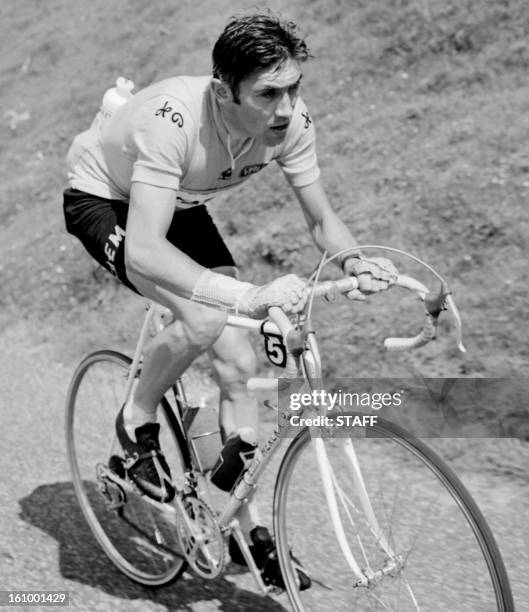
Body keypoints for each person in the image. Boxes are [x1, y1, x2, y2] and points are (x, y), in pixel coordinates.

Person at [63, 12, 397, 589]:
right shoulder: (174, 120)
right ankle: (136, 416)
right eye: (269, 94)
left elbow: (321, 219)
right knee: (205, 314)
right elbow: (143, 250)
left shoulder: (291, 123)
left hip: (179, 203)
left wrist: (355, 260)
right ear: (224, 92)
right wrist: (249, 293)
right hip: (106, 198)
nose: (287, 108)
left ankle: (247, 529)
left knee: (242, 365)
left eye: (294, 88)